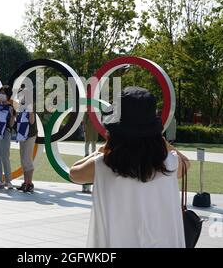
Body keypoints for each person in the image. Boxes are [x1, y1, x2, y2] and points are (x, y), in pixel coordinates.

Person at [69, 87, 191, 248]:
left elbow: (74, 173)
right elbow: (187, 163)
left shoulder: (104, 164)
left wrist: (105, 148)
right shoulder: (170, 164)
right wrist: (160, 140)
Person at [0, 85, 16, 190]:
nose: (1, 95)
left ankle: (8, 181)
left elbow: (11, 124)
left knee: (5, 157)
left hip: (5, 133)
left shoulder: (10, 107)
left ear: (8, 95)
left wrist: (12, 115)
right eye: (0, 92)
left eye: (4, 93)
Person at [15, 88, 38, 193]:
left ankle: (30, 183)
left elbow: (32, 122)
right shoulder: (20, 107)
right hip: (22, 135)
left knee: (27, 159)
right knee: (23, 160)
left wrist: (31, 111)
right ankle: (25, 183)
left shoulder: (30, 106)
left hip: (30, 135)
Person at [82, 114, 98, 193]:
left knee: (94, 142)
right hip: (89, 128)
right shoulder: (87, 111)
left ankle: (93, 152)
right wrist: (84, 128)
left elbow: (99, 119)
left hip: (94, 127)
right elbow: (84, 121)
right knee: (87, 142)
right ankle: (87, 152)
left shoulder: (96, 112)